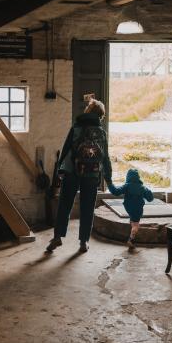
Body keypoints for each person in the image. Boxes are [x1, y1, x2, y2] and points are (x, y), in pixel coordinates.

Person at [46, 99, 112, 253]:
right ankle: (83, 242)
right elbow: (105, 157)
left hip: (72, 171)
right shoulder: (101, 132)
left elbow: (65, 150)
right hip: (92, 173)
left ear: (88, 111)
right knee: (87, 207)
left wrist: (58, 172)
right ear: (100, 115)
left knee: (65, 204)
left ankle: (57, 237)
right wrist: (108, 177)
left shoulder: (76, 127)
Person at [108, 168, 153, 249]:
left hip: (128, 207)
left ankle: (132, 225)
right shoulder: (142, 187)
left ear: (128, 177)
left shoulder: (127, 186)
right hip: (138, 207)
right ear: (138, 177)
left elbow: (116, 192)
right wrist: (148, 191)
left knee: (133, 219)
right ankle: (131, 239)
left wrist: (109, 183)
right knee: (136, 225)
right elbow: (150, 198)